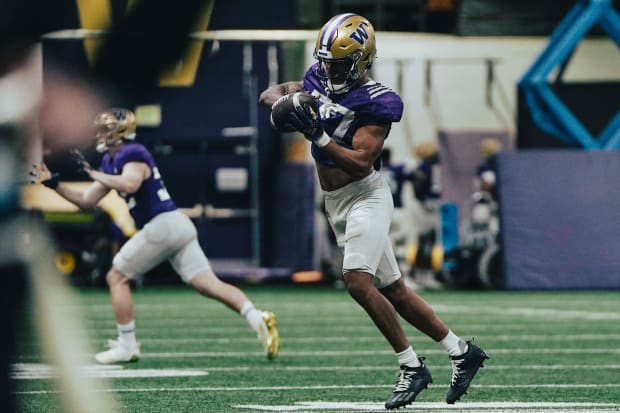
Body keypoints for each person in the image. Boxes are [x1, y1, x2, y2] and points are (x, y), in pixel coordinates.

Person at [259, 13, 487, 408]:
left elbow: (361, 161)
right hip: (336, 202)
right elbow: (274, 92)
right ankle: (462, 351)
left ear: (362, 61)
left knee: (357, 282)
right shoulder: (317, 76)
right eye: (326, 62)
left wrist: (316, 132)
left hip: (366, 195)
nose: (329, 70)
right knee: (395, 291)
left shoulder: (378, 100)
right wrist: (284, 101)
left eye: (339, 64)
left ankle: (411, 366)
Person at [33, 108, 280, 364]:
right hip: (174, 226)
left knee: (116, 276)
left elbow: (130, 184)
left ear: (118, 132)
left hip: (163, 224)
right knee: (207, 285)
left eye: (104, 129)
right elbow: (85, 201)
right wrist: (53, 183)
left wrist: (95, 175)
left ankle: (127, 345)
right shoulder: (110, 162)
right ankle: (257, 317)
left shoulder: (133, 152)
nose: (98, 134)